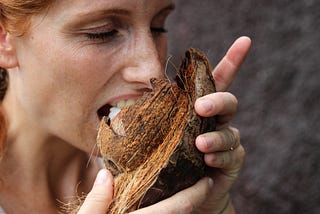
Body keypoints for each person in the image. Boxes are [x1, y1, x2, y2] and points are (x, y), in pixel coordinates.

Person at [0, 0, 251, 213]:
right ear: (4, 40)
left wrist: (211, 204)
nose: (153, 69)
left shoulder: (160, 178)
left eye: (157, 27)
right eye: (102, 32)